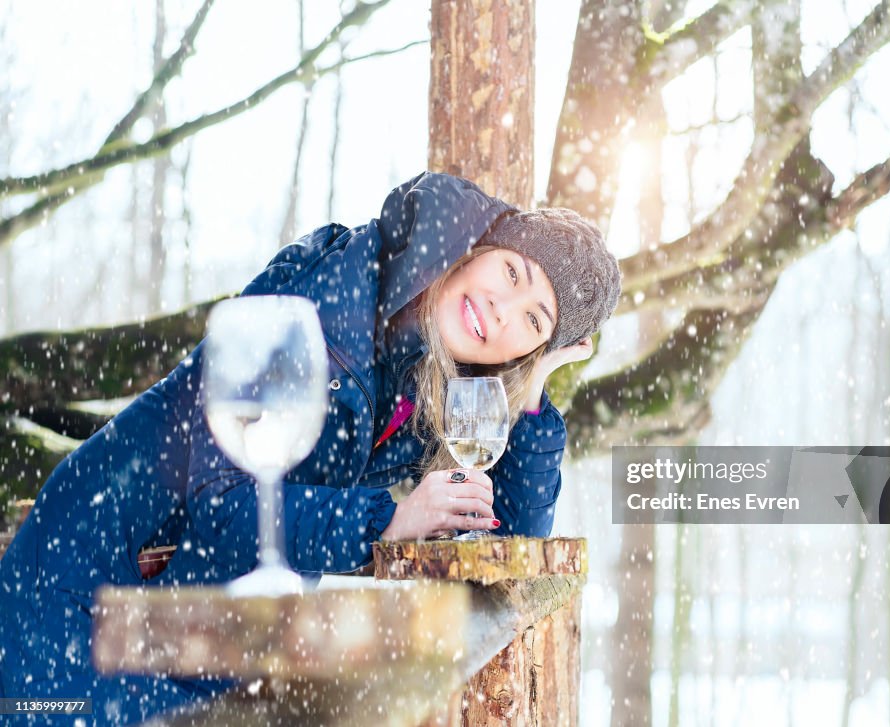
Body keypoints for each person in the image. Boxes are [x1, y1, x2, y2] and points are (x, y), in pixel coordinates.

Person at [0, 171, 621, 723]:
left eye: (535, 323)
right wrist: (389, 520)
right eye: (513, 273)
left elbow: (507, 542)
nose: (504, 308)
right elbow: (222, 506)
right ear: (478, 248)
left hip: (197, 631)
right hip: (89, 587)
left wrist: (535, 387)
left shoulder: (431, 375)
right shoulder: (330, 300)